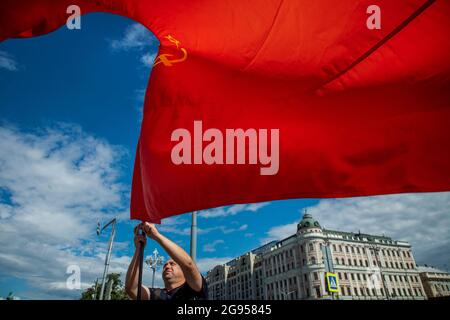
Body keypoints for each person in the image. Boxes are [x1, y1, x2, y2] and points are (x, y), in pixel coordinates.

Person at [125, 222, 208, 300]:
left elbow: (189, 265)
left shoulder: (193, 288)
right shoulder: (156, 294)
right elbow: (132, 289)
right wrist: (139, 248)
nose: (167, 267)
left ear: (183, 271)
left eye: (172, 264)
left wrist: (156, 235)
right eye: (165, 265)